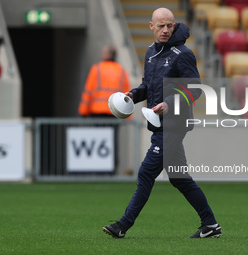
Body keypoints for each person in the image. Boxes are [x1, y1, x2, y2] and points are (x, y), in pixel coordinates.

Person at [102, 8, 221, 239]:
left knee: (146, 173)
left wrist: (169, 102)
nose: (166, 30)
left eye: (170, 25)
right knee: (180, 178)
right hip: (161, 123)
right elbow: (148, 85)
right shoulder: (150, 53)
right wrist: (133, 95)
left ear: (174, 26)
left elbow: (195, 89)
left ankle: (122, 226)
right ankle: (211, 225)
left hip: (174, 124)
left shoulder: (182, 53)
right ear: (151, 27)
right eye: (161, 26)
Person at [78, 45, 131, 117]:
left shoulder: (97, 68)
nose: (101, 54)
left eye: (103, 52)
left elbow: (88, 91)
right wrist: (128, 114)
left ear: (109, 55)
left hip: (97, 110)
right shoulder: (121, 70)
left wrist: (83, 111)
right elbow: (126, 93)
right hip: (114, 110)